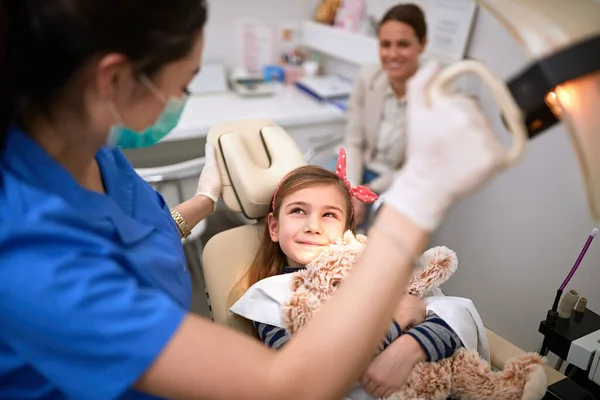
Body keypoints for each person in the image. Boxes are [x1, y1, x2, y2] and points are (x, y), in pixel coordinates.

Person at [0, 0, 507, 398]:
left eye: (330, 212)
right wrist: (419, 200)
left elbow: (140, 230)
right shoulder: (31, 258)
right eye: (187, 80)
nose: (184, 97)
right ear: (112, 80)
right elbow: (289, 385)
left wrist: (202, 201)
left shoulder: (98, 156)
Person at [229, 160, 463, 399]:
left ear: (347, 230)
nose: (313, 226)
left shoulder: (377, 269)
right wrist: (396, 319)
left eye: (329, 214)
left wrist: (413, 346)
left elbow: (454, 315)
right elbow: (308, 377)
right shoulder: (269, 296)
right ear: (274, 227)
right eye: (298, 211)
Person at [333, 3, 428, 227]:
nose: (392, 54)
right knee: (316, 208)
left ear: (422, 45)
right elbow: (354, 141)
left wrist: (368, 193)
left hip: (399, 183)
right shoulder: (368, 78)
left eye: (403, 45)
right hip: (359, 167)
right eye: (385, 45)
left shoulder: (434, 96)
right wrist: (353, 189)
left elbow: (417, 167)